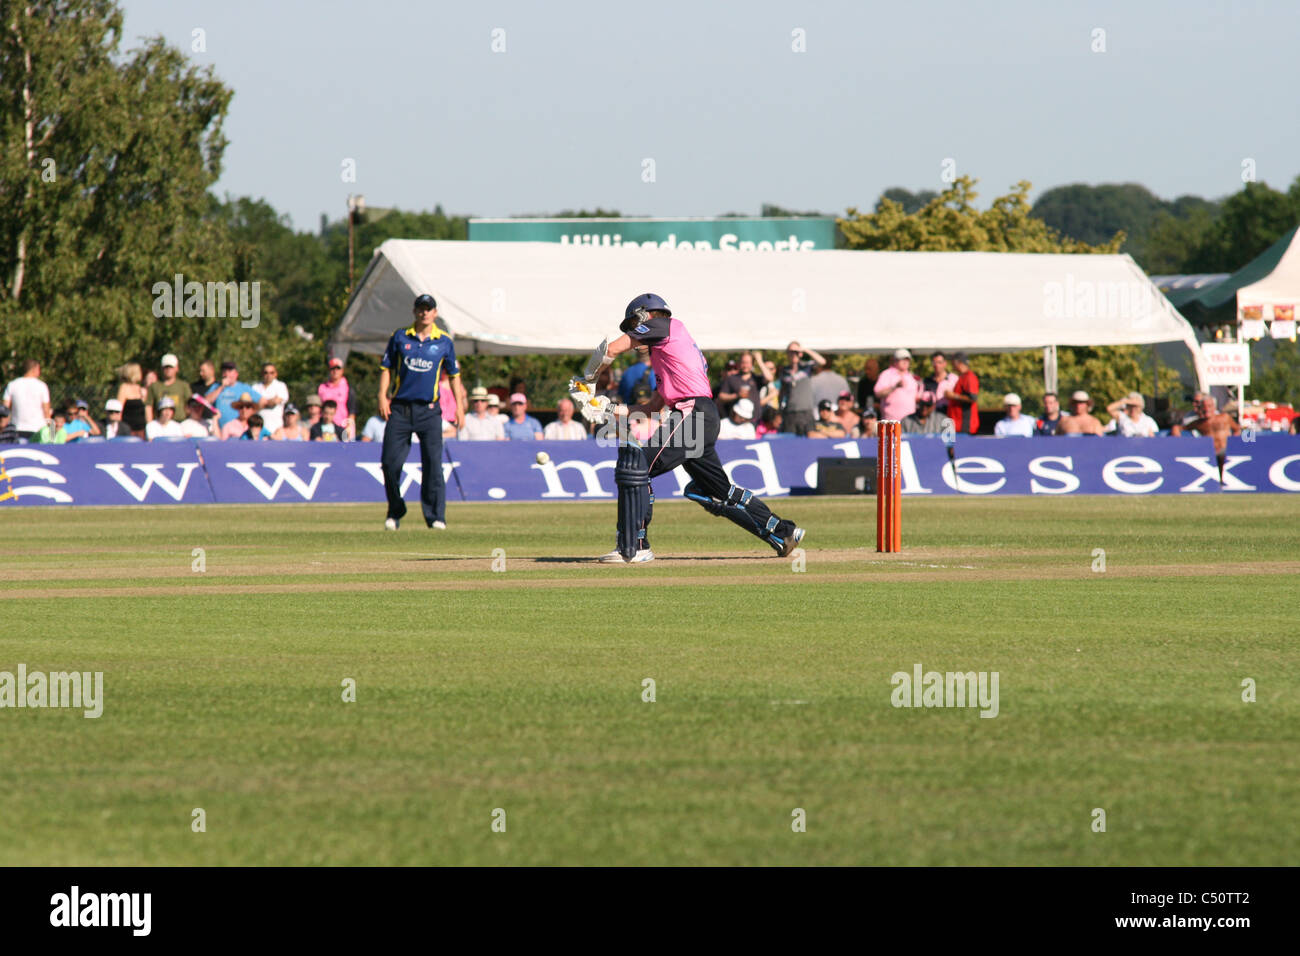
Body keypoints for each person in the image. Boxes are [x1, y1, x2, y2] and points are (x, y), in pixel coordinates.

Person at [585, 293, 804, 563]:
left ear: (646, 315)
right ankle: (783, 532)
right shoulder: (667, 352)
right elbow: (653, 408)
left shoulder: (666, 326)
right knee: (716, 490)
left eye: (634, 323)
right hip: (700, 415)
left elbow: (611, 349)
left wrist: (586, 380)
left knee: (637, 468)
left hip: (692, 414)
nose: (633, 331)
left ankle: (635, 546)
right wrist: (608, 409)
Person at [378, 293, 462, 530]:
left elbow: (454, 376)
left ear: (435, 313)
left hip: (430, 411)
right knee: (389, 463)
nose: (425, 312)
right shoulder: (400, 337)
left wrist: (460, 408)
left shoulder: (444, 341)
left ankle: (435, 516)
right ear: (414, 311)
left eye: (429, 309)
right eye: (421, 308)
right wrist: (381, 395)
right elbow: (386, 368)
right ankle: (396, 509)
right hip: (400, 409)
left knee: (433, 465)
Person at [778, 341, 826, 435]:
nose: (793, 354)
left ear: (800, 353)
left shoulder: (806, 366)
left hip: (805, 412)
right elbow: (782, 391)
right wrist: (780, 410)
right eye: (791, 352)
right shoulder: (784, 371)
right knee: (790, 442)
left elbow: (822, 361)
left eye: (796, 352)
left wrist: (805, 350)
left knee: (808, 441)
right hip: (790, 412)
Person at [2, 359, 52, 442]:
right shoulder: (42, 386)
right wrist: (51, 433)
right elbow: (46, 412)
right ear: (35, 369)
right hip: (37, 430)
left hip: (16, 428)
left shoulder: (12, 385)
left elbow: (5, 409)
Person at [716, 351, 770, 422]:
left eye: (747, 363)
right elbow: (721, 396)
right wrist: (737, 395)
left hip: (755, 420)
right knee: (699, 430)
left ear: (752, 364)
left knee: (699, 431)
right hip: (736, 421)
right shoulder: (731, 378)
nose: (745, 365)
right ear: (739, 363)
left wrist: (759, 361)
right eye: (743, 362)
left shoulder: (756, 378)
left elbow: (769, 378)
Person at [874, 348, 923, 422]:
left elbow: (917, 398)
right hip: (891, 421)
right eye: (902, 359)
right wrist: (894, 387)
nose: (905, 362)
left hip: (910, 422)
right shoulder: (886, 374)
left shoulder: (913, 378)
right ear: (895, 360)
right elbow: (878, 393)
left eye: (907, 359)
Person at [318, 357, 358, 441]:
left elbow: (352, 411)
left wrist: (348, 428)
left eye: (338, 368)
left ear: (342, 371)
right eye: (332, 368)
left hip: (343, 428)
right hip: (327, 428)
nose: (335, 371)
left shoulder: (347, 388)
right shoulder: (322, 388)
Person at [206, 361, 254, 429]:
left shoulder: (244, 388)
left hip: (239, 430)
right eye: (224, 371)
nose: (226, 374)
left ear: (236, 374)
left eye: (230, 371)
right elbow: (206, 402)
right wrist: (221, 387)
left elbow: (261, 401)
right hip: (219, 430)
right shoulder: (215, 387)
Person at [145, 354, 190, 421]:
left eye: (171, 367)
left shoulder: (183, 386)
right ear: (162, 368)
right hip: (160, 424)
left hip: (180, 423)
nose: (168, 369)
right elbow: (148, 406)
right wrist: (149, 425)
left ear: (177, 368)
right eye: (166, 367)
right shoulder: (154, 386)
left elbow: (190, 406)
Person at [946, 352, 980, 436]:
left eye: (953, 362)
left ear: (958, 363)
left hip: (965, 425)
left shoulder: (969, 377)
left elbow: (972, 398)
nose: (952, 365)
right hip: (957, 424)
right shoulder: (962, 377)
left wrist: (953, 396)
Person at [254, 361, 290, 435]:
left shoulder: (281, 386)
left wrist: (261, 403)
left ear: (276, 374)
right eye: (266, 372)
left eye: (271, 372)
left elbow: (275, 402)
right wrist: (270, 401)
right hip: (258, 429)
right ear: (262, 373)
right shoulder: (255, 387)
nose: (268, 375)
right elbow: (252, 406)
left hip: (276, 429)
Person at [114, 362, 149, 438]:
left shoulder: (140, 388)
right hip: (128, 428)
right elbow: (119, 408)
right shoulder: (124, 388)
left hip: (141, 428)